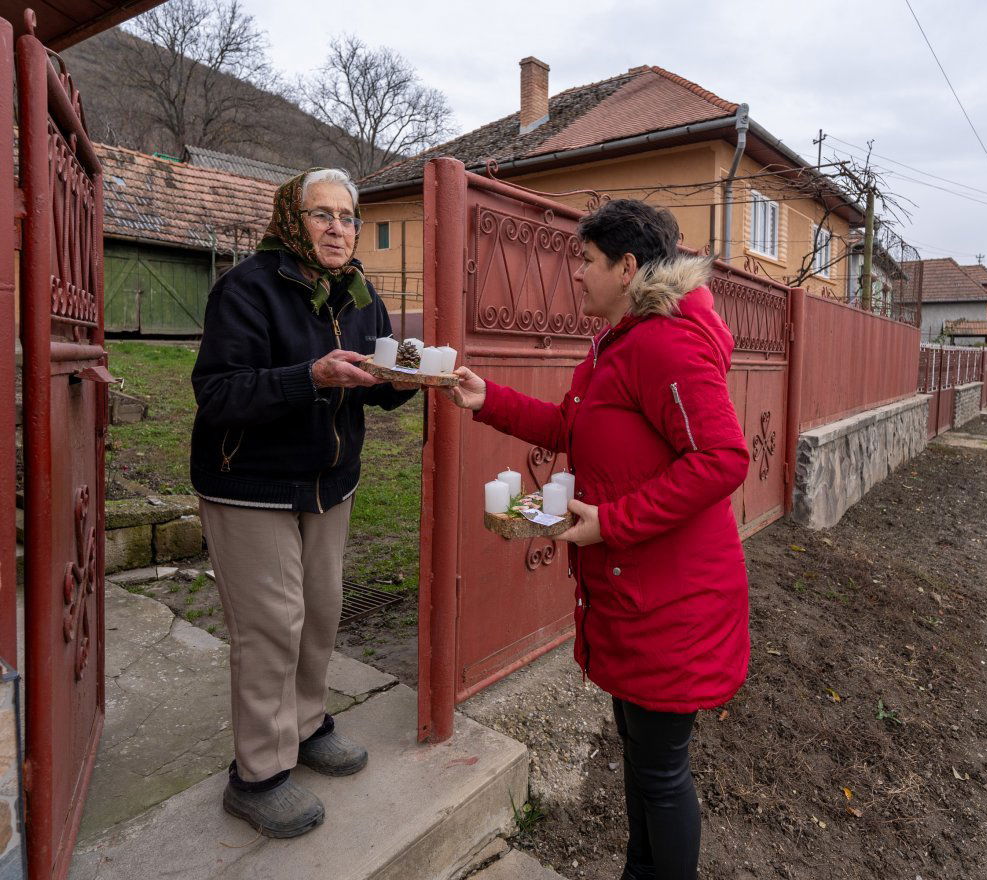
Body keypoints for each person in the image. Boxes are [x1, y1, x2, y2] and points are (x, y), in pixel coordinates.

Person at [446, 200, 750, 879]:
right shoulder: (618, 343)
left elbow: (722, 459)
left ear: (628, 266)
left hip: (674, 603)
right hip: (637, 596)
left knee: (661, 775)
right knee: (645, 767)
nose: (575, 274)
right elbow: (569, 426)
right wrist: (485, 396)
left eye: (585, 261)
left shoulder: (664, 344)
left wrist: (611, 521)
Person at [190, 168, 417, 838]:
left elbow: (373, 383)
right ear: (292, 219)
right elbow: (219, 393)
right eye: (322, 214)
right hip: (249, 484)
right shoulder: (247, 288)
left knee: (320, 612)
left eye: (347, 216)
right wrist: (307, 377)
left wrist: (410, 378)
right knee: (270, 626)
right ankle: (257, 774)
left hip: (328, 483)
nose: (338, 228)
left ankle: (309, 723)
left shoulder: (359, 292)